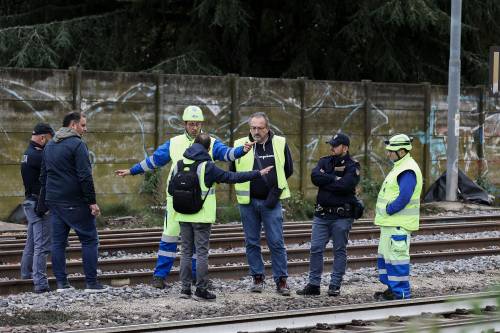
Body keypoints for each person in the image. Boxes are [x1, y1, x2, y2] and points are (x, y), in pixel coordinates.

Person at [115, 105, 253, 289]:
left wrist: (241, 151)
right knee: (169, 237)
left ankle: (196, 278)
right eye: (190, 124)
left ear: (201, 124)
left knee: (196, 244)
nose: (194, 127)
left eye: (197, 124)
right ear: (185, 124)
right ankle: (159, 277)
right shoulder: (174, 143)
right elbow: (154, 160)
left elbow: (227, 154)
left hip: (201, 202)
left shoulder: (210, 142)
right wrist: (132, 171)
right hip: (176, 201)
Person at [171, 133, 273, 301]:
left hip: (182, 214)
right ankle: (201, 290)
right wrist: (257, 173)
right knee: (202, 253)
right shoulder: (207, 166)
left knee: (186, 252)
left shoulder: (179, 164)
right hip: (201, 216)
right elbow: (231, 177)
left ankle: (184, 289)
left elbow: (170, 190)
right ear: (209, 148)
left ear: (193, 144)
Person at [39, 111, 106, 292]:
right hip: (74, 201)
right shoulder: (77, 145)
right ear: (73, 125)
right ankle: (91, 283)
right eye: (83, 125)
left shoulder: (50, 145)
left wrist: (45, 200)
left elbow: (43, 176)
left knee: (58, 243)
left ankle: (62, 284)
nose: (85, 129)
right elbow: (85, 176)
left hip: (54, 200)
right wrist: (92, 202)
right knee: (90, 239)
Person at [231, 112, 293, 296]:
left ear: (267, 128)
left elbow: (288, 170)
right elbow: (233, 171)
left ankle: (281, 280)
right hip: (247, 202)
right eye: (253, 128)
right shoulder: (240, 145)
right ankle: (257, 277)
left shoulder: (280, 143)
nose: (256, 131)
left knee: (276, 242)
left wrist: (274, 192)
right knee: (251, 242)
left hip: (271, 201)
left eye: (260, 128)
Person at [296, 133, 360, 297]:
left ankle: (334, 285)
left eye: (335, 145)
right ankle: (314, 285)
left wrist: (327, 180)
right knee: (316, 249)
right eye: (331, 144)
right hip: (322, 215)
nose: (331, 147)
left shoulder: (353, 165)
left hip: (342, 216)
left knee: (339, 250)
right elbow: (315, 177)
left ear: (345, 147)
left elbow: (347, 185)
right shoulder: (324, 161)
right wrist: (335, 179)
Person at [373, 133, 422, 301]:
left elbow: (404, 196)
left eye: (391, 151)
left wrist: (389, 209)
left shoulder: (407, 169)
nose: (388, 154)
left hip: (398, 223)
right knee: (387, 259)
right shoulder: (401, 166)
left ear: (402, 151)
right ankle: (392, 290)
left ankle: (400, 293)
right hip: (391, 223)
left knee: (397, 260)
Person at [20, 123, 55, 293]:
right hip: (38, 204)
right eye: (49, 139)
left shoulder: (28, 153)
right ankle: (40, 284)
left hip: (29, 202)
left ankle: (26, 274)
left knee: (31, 243)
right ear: (42, 138)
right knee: (41, 246)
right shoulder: (39, 156)